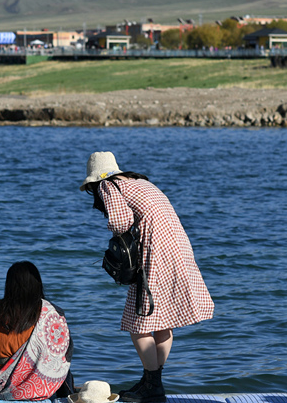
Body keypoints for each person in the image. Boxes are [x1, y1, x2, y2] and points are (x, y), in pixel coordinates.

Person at [80, 152, 214, 403]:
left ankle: (153, 384)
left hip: (156, 253)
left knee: (137, 324)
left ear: (95, 182)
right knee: (162, 322)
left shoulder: (109, 185)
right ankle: (152, 380)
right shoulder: (140, 182)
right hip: (179, 248)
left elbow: (121, 222)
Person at [0, 261, 74, 401]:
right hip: (43, 386)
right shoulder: (51, 312)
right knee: (60, 363)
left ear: (9, 285)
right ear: (37, 284)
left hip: (3, 386)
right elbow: (63, 347)